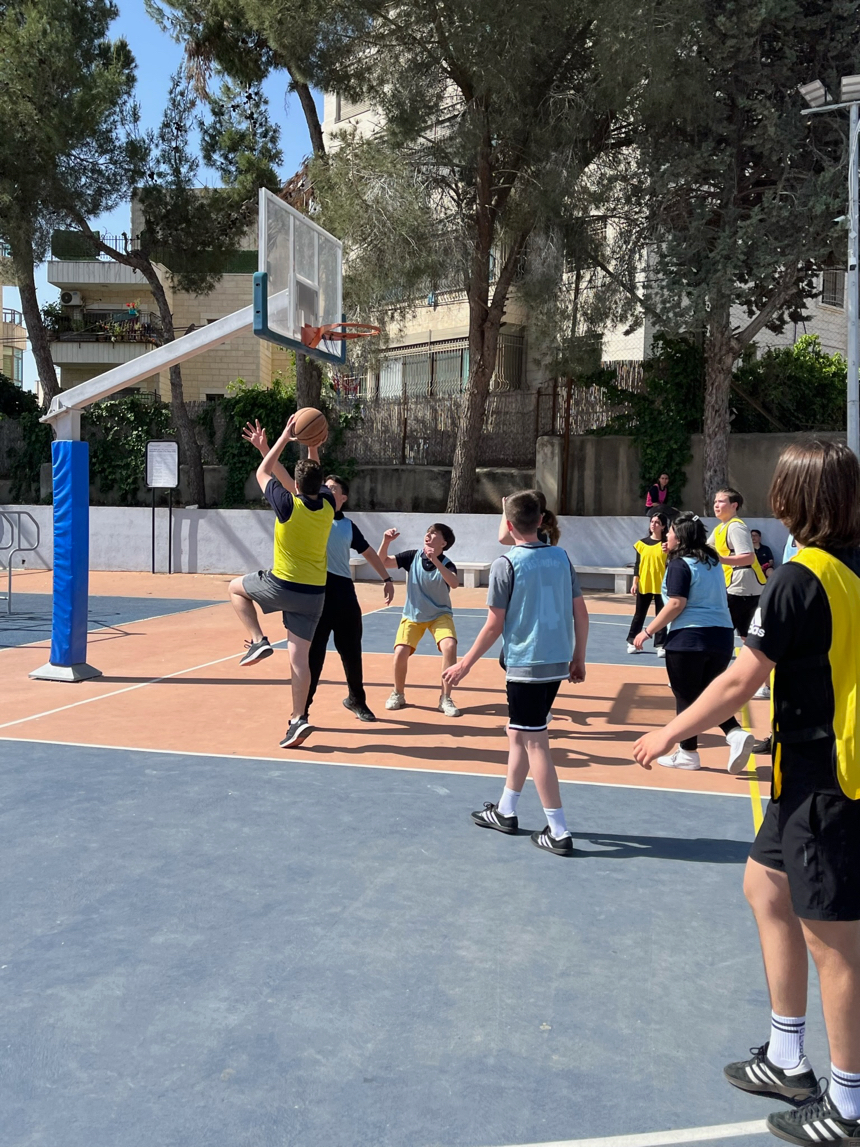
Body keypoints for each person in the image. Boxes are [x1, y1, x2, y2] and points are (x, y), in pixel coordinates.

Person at [634, 440, 860, 1147]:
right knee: (765, 887)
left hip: (826, 779)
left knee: (835, 943)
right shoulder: (851, 566)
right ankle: (788, 1057)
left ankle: (849, 1104)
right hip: (805, 771)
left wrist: (670, 731)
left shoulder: (800, 577)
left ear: (792, 498)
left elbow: (740, 679)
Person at [442, 490, 589, 856]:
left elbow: (494, 625)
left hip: (526, 665)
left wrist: (464, 663)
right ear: (540, 520)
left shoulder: (505, 564)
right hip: (556, 662)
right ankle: (506, 810)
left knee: (535, 742)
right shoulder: (561, 556)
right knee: (519, 733)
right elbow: (581, 613)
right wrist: (578, 658)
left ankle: (559, 830)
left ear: (508, 525)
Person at [243, 422, 396, 723]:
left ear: (342, 497)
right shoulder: (311, 509)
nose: (329, 488)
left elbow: (368, 553)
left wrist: (387, 578)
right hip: (318, 589)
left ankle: (356, 700)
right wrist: (272, 448)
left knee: (351, 651)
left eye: (334, 487)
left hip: (343, 594)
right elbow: (290, 481)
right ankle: (304, 711)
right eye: (326, 484)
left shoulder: (345, 524)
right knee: (313, 656)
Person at [228, 414, 335, 749]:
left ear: (296, 487)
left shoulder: (288, 506)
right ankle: (298, 718)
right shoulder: (329, 504)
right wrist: (311, 446)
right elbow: (303, 480)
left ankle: (258, 639)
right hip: (314, 595)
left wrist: (283, 438)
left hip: (282, 585)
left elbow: (263, 473)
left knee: (235, 589)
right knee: (299, 659)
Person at [632, 512, 754, 773]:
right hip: (722, 637)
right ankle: (733, 733)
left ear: (680, 537)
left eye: (670, 532)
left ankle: (689, 753)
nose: (666, 535)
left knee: (686, 696)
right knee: (707, 692)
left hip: (689, 638)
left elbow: (676, 603)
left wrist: (648, 631)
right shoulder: (712, 561)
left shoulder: (680, 565)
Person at [378, 522, 461, 717]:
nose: (428, 535)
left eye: (434, 533)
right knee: (400, 651)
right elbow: (383, 562)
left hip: (440, 615)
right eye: (428, 532)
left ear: (443, 543)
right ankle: (398, 694)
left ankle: (445, 698)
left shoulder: (447, 564)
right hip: (413, 614)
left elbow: (454, 583)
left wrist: (436, 561)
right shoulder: (412, 557)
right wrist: (386, 541)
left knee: (449, 646)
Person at [709, 487, 768, 699]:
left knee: (721, 633)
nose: (716, 505)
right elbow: (705, 550)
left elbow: (748, 557)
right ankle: (764, 685)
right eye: (715, 501)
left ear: (734, 505)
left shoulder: (736, 527)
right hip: (738, 587)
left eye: (721, 501)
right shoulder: (720, 529)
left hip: (743, 587)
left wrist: (720, 559)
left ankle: (712, 681)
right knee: (748, 637)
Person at [627, 512, 669, 657]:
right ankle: (632, 641)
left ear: (663, 526)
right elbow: (637, 565)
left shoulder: (667, 545)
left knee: (661, 615)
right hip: (644, 584)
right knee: (639, 615)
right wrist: (635, 583)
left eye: (657, 522)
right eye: (652, 521)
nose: (653, 524)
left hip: (662, 586)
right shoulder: (641, 544)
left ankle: (661, 644)